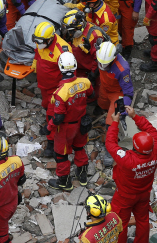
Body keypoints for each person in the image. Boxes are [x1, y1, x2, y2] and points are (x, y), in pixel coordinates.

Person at [105, 106, 157, 243]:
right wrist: (135, 116)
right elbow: (152, 131)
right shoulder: (156, 152)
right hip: (143, 193)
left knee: (120, 223)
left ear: (134, 146)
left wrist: (115, 122)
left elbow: (110, 143)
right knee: (142, 220)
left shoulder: (127, 160)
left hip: (124, 196)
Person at [46, 53, 92, 191]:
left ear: (60, 67)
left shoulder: (60, 93)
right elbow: (92, 95)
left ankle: (64, 182)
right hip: (82, 122)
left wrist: (48, 127)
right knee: (79, 147)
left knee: (61, 155)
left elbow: (59, 117)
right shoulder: (85, 82)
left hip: (66, 128)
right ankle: (82, 176)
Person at [32, 22, 72, 158]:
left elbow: (69, 75)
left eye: (41, 41)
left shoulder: (63, 51)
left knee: (51, 114)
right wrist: (35, 65)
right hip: (44, 86)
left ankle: (50, 143)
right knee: (45, 105)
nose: (38, 44)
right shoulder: (42, 42)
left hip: (56, 90)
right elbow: (37, 53)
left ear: (50, 38)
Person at [95, 41, 134, 166]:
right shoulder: (101, 55)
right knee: (101, 104)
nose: (102, 65)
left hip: (118, 93)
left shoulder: (122, 69)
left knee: (112, 121)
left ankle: (110, 148)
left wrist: (121, 110)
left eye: (104, 64)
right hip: (104, 87)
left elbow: (128, 93)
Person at [61, 10, 109, 83]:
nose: (70, 33)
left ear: (80, 26)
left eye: (72, 31)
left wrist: (92, 76)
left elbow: (98, 60)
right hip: (78, 69)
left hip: (88, 73)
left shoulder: (94, 36)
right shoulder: (76, 32)